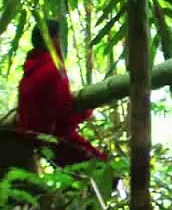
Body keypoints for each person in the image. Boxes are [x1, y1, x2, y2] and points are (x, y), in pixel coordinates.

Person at [17, 20, 107, 167]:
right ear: (51, 40)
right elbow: (63, 111)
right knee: (103, 168)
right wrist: (85, 112)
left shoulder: (30, 70)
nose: (63, 42)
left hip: (33, 139)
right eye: (60, 37)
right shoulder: (53, 69)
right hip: (55, 138)